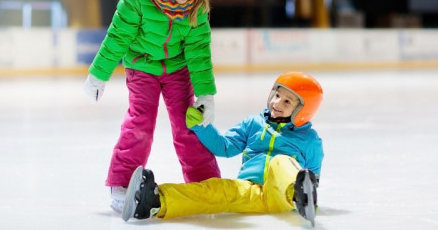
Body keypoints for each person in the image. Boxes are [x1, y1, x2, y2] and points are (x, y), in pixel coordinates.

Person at [83, 0, 221, 213]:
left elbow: (198, 52)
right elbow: (117, 39)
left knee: (188, 126)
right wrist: (98, 74)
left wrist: (205, 92)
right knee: (140, 124)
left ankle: (204, 182)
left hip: (177, 70)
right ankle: (122, 183)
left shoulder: (196, 7)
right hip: (141, 67)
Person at [122, 71, 324, 226]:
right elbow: (224, 146)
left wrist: (306, 193)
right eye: (277, 95)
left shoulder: (310, 140)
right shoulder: (254, 124)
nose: (277, 102)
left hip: (282, 195)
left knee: (281, 162)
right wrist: (202, 126)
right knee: (216, 189)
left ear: (303, 110)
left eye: (287, 101)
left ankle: (300, 195)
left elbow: (312, 176)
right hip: (249, 190)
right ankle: (155, 200)